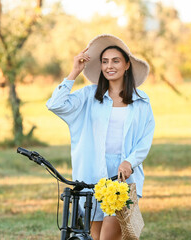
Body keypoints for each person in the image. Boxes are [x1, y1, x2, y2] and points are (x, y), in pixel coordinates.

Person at [46, 34, 155, 240]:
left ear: (127, 65)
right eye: (104, 62)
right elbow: (55, 105)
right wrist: (74, 71)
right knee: (95, 238)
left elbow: (145, 138)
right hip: (92, 174)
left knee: (108, 238)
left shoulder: (141, 101)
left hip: (124, 176)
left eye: (115, 61)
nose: (109, 66)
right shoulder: (88, 96)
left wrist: (130, 162)